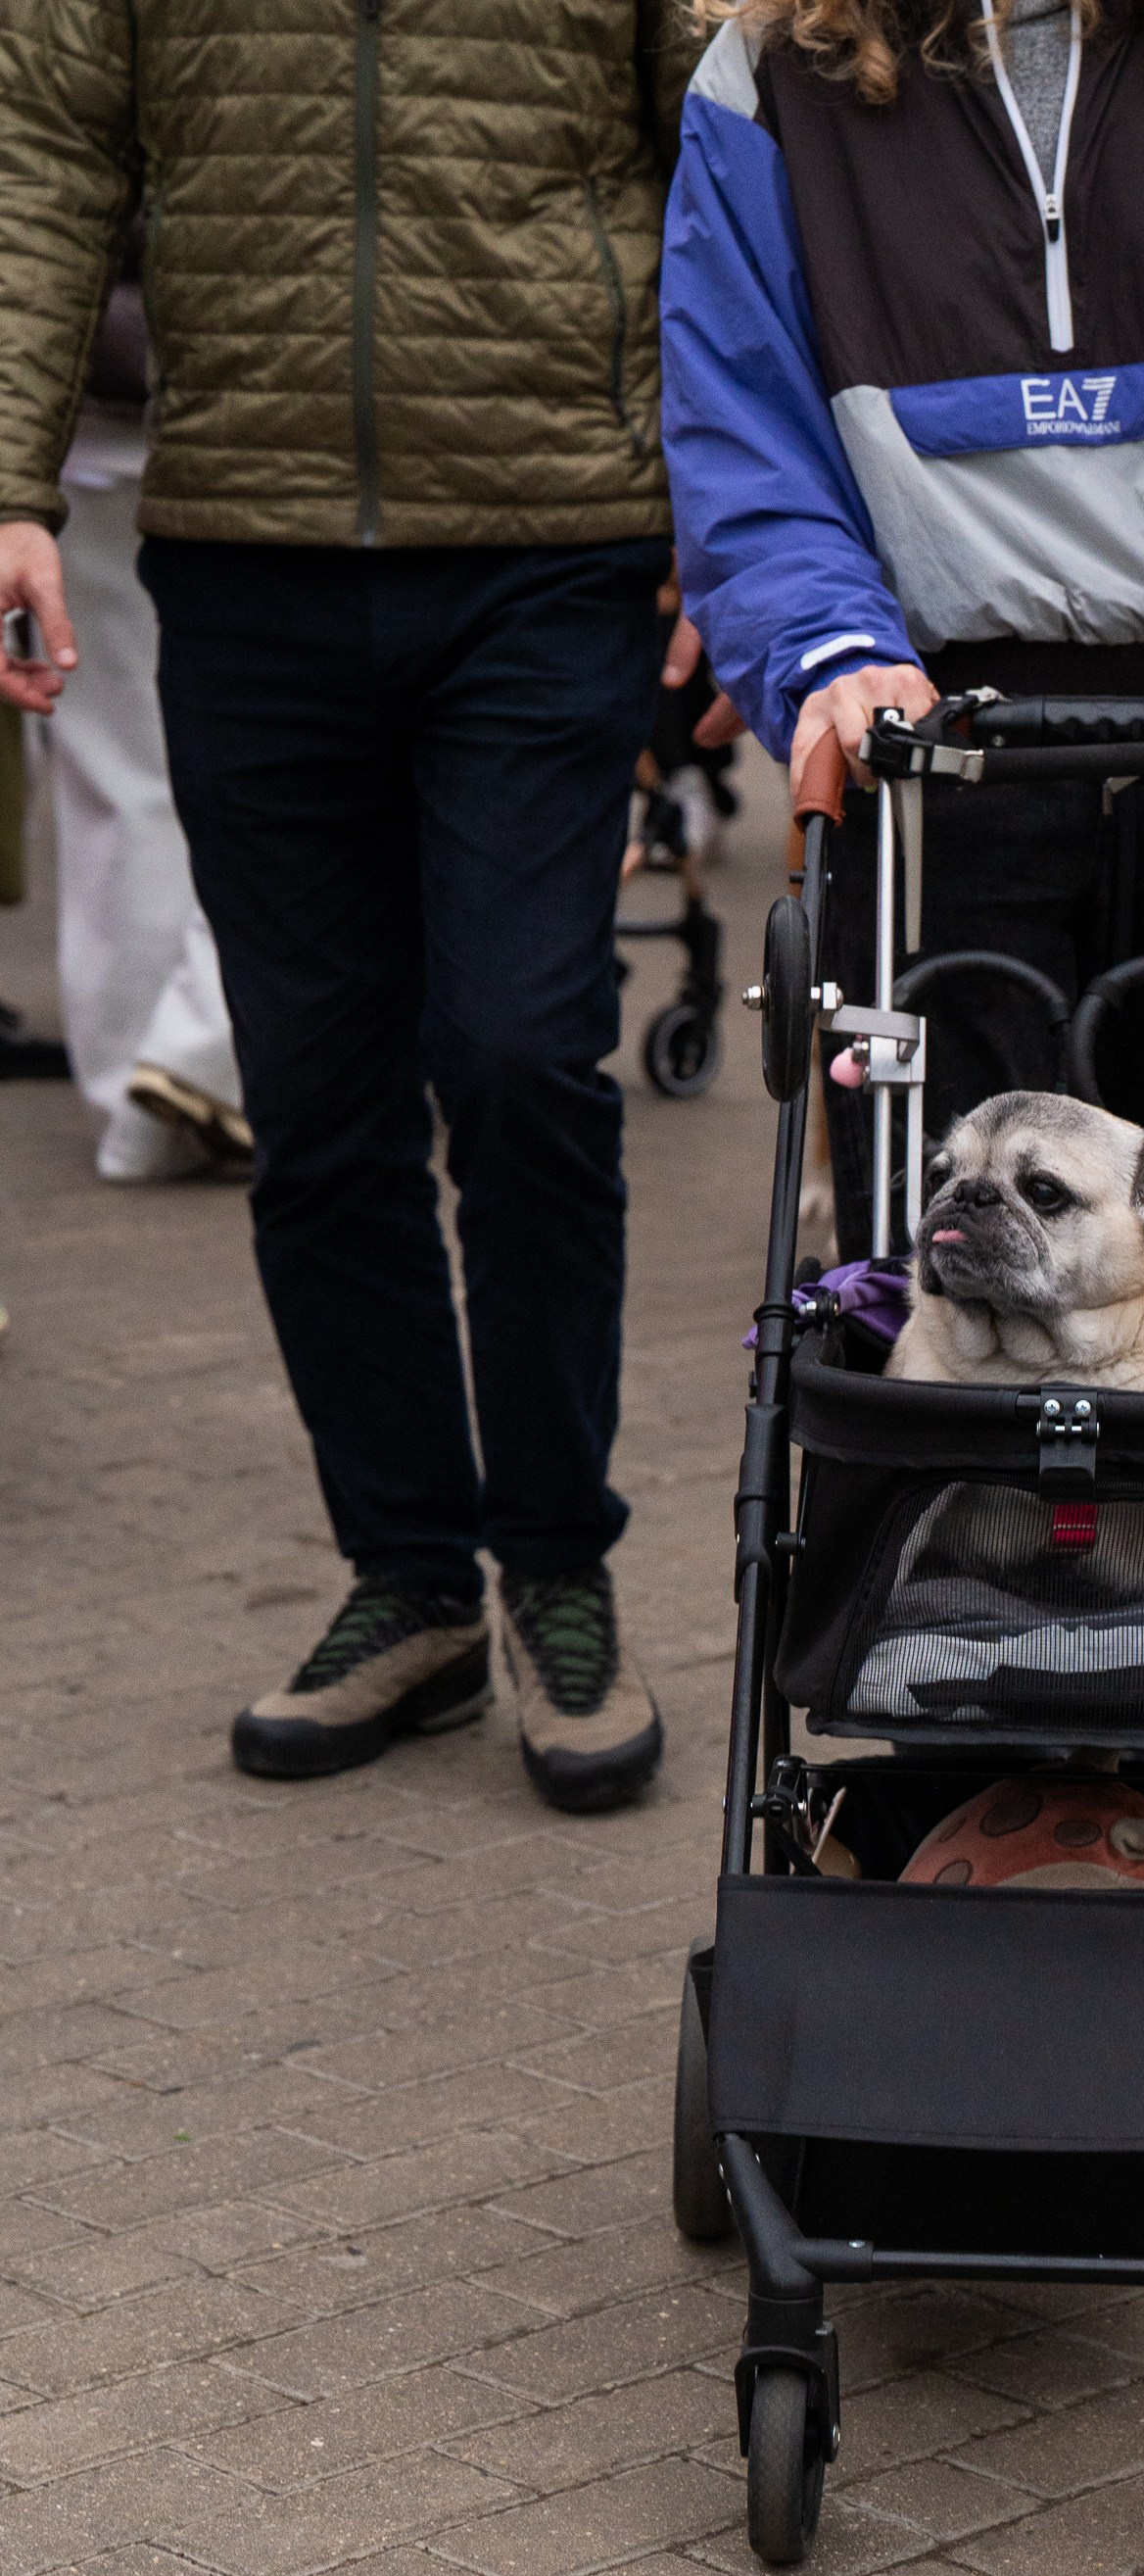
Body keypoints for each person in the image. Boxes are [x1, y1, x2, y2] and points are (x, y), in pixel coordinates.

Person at [0, 0, 694, 1812]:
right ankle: (407, 1576)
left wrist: (745, 507)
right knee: (315, 1099)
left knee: (522, 1052)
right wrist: (1, 480)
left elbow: (733, 147)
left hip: (555, 540)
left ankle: (554, 1568)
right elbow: (48, 144)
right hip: (248, 551)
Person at [658, 0, 1144, 1248]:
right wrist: (827, 646)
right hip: (928, 743)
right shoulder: (768, 71)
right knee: (955, 1272)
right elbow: (744, 418)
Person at [51, 243, 248, 1187]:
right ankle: (203, 1049)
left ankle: (129, 1100)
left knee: (113, 775)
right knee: (263, 759)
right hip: (232, 410)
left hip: (76, 415)